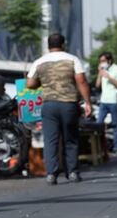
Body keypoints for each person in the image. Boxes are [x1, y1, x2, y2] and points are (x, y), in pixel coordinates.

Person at [27, 33, 92, 184]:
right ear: (63, 44)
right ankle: (73, 173)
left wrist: (41, 83)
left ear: (48, 46)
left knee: (51, 140)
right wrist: (87, 102)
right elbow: (81, 81)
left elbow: (29, 84)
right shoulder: (72, 59)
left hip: (49, 105)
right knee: (71, 139)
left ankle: (51, 174)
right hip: (69, 104)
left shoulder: (39, 61)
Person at [95, 52, 117, 154]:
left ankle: (116, 148)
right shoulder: (102, 70)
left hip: (113, 101)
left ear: (109, 60)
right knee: (99, 125)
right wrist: (100, 73)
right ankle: (100, 148)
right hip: (103, 101)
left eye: (103, 61)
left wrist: (109, 77)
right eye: (100, 61)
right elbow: (97, 85)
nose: (102, 63)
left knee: (115, 125)